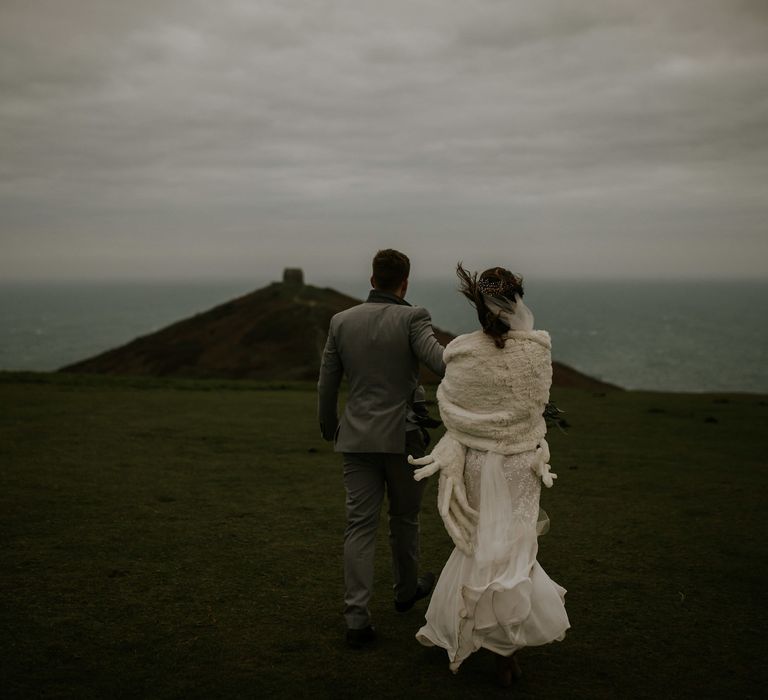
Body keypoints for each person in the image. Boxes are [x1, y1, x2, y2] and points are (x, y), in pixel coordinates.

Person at [408, 264, 570, 686]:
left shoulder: (461, 350)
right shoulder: (536, 350)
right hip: (521, 463)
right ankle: (506, 648)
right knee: (516, 546)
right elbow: (536, 406)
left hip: (478, 461)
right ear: (516, 300)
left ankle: (473, 630)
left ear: (479, 307)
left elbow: (451, 406)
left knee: (480, 542)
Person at [317, 249, 446, 648]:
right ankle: (406, 590)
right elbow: (441, 363)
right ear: (404, 282)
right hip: (403, 438)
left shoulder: (341, 321)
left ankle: (357, 619)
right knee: (404, 519)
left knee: (359, 526)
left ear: (373, 280)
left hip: (355, 439)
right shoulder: (413, 317)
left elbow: (327, 382)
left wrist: (329, 427)